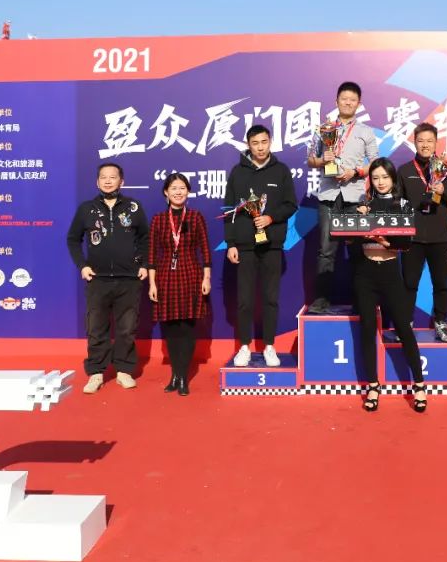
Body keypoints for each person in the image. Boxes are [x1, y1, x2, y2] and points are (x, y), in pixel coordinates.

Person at [347, 158, 427, 413]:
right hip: (365, 274)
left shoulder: (402, 205)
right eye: (376, 178)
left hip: (391, 273)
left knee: (403, 327)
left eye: (385, 177)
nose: (380, 182)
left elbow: (407, 244)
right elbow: (348, 240)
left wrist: (385, 241)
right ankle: (373, 385)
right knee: (367, 329)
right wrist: (356, 224)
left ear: (393, 178)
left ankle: (419, 385)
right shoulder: (364, 205)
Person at [66, 162, 149, 394]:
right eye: (103, 177)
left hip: (129, 279)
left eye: (113, 177)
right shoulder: (86, 209)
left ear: (122, 181)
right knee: (96, 328)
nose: (108, 181)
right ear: (97, 182)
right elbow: (73, 239)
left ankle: (124, 370)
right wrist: (82, 265)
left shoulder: (133, 207)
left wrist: (144, 264)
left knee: (127, 328)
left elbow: (145, 238)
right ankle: (96, 373)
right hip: (98, 280)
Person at [224, 125, 299, 367]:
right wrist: (231, 243)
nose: (260, 147)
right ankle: (244, 346)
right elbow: (228, 209)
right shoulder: (238, 172)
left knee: (270, 299)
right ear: (248, 145)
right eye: (255, 143)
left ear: (270, 142)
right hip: (245, 246)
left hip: (272, 245)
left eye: (264, 142)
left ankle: (269, 346)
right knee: (245, 300)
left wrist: (271, 218)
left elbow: (291, 204)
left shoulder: (281, 171)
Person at [306, 81, 378, 314]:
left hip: (354, 197)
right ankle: (321, 300)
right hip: (329, 195)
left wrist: (355, 172)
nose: (348, 103)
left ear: (359, 104)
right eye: (344, 98)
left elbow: (375, 163)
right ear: (336, 101)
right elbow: (311, 160)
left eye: (352, 100)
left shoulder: (365, 131)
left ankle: (361, 300)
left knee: (357, 250)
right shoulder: (324, 129)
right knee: (326, 251)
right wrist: (323, 160)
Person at [396, 122, 447, 342]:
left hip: (440, 238)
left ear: (436, 143)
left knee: (441, 284)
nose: (425, 145)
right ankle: (405, 324)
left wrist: (444, 191)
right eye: (420, 141)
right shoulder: (404, 170)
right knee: (409, 284)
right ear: (414, 142)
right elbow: (396, 201)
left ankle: (441, 323)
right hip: (413, 238)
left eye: (429, 141)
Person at [148, 173, 211, 396]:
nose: (178, 192)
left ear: (188, 191)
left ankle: (183, 376)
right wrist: (152, 284)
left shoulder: (195, 217)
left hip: (191, 274)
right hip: (165, 276)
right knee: (171, 329)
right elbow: (152, 254)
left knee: (187, 328)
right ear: (166, 192)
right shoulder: (158, 220)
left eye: (182, 188)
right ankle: (175, 374)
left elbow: (205, 249)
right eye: (174, 188)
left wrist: (206, 277)